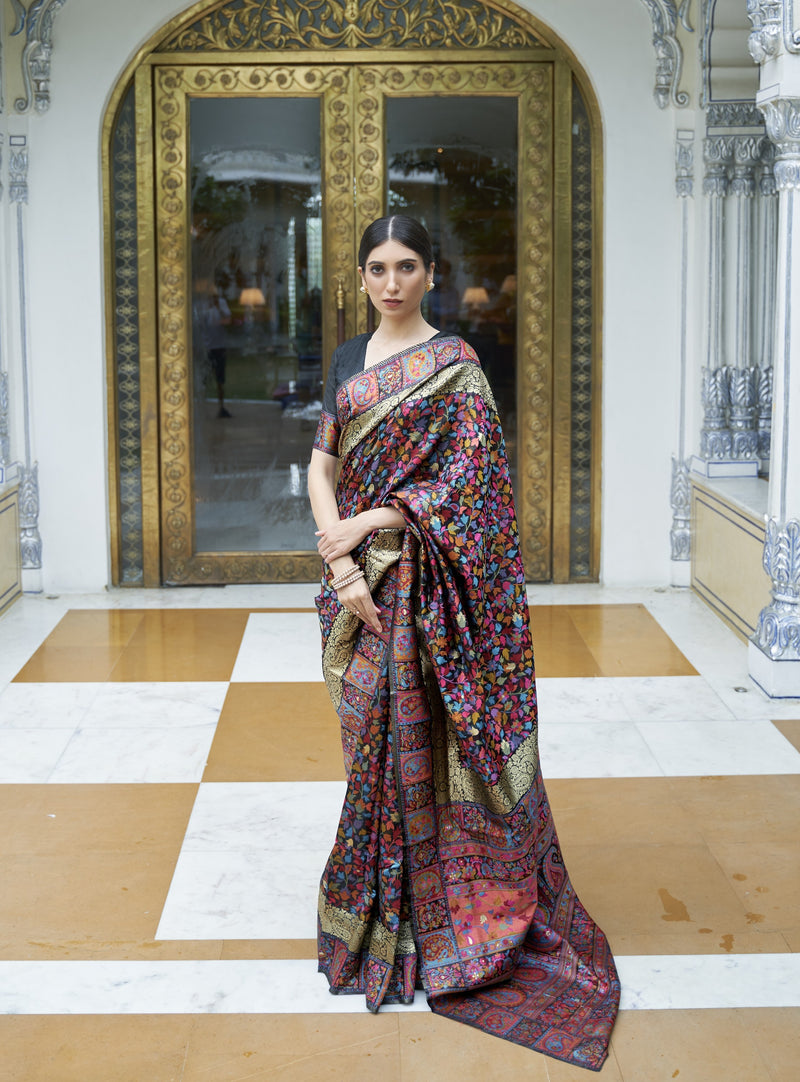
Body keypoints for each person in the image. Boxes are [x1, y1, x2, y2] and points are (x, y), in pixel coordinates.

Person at [307, 215, 619, 1072]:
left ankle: (448, 918)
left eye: (407, 265)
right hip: (357, 591)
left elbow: (477, 488)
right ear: (362, 274)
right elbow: (320, 464)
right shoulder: (346, 361)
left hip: (426, 589)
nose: (393, 281)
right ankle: (381, 909)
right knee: (370, 745)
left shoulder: (458, 366)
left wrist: (380, 517)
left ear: (431, 273)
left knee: (435, 744)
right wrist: (340, 559)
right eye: (378, 267)